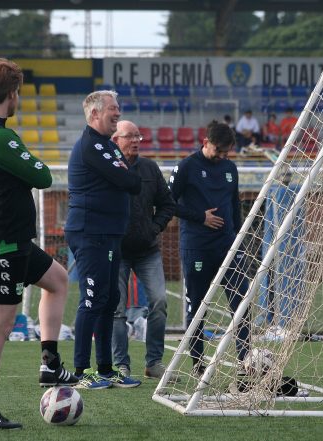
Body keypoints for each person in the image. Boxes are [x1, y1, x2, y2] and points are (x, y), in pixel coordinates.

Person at [0, 58, 75, 430]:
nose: (18, 99)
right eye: (17, 93)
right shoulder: (0, 135)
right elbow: (42, 176)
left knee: (57, 280)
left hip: (13, 242)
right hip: (2, 245)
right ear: (10, 94)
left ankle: (50, 362)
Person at [66, 90, 143, 390]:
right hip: (90, 233)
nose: (118, 112)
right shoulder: (92, 146)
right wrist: (124, 173)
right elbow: (128, 181)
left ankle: (105, 369)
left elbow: (131, 181)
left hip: (108, 234)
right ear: (95, 113)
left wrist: (124, 172)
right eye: (113, 108)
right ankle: (81, 372)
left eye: (118, 108)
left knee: (109, 299)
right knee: (92, 299)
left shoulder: (106, 147)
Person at [169, 120, 251, 376]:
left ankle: (245, 362)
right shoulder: (186, 167)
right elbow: (167, 203)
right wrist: (199, 216)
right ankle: (197, 363)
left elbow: (234, 205)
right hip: (197, 248)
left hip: (228, 247)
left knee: (242, 304)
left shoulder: (230, 168)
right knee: (197, 306)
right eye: (219, 150)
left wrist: (239, 239)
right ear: (205, 142)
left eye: (227, 152)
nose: (223, 156)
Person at [110, 119, 176, 379]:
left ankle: (154, 363)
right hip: (116, 250)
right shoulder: (108, 168)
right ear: (116, 140)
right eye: (130, 136)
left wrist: (154, 228)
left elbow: (167, 204)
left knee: (159, 301)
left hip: (148, 249)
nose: (136, 140)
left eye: (138, 136)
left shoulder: (149, 168)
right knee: (116, 308)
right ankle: (121, 364)